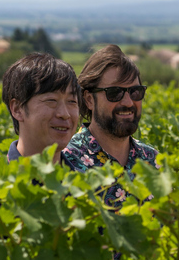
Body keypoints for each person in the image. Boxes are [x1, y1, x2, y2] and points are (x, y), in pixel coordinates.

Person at [61, 45, 158, 208]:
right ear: (89, 99)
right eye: (114, 93)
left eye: (135, 92)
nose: (128, 102)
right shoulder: (67, 162)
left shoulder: (153, 160)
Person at [0, 52, 80, 189]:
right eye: (51, 100)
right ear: (17, 109)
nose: (64, 114)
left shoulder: (85, 189)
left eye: (72, 101)